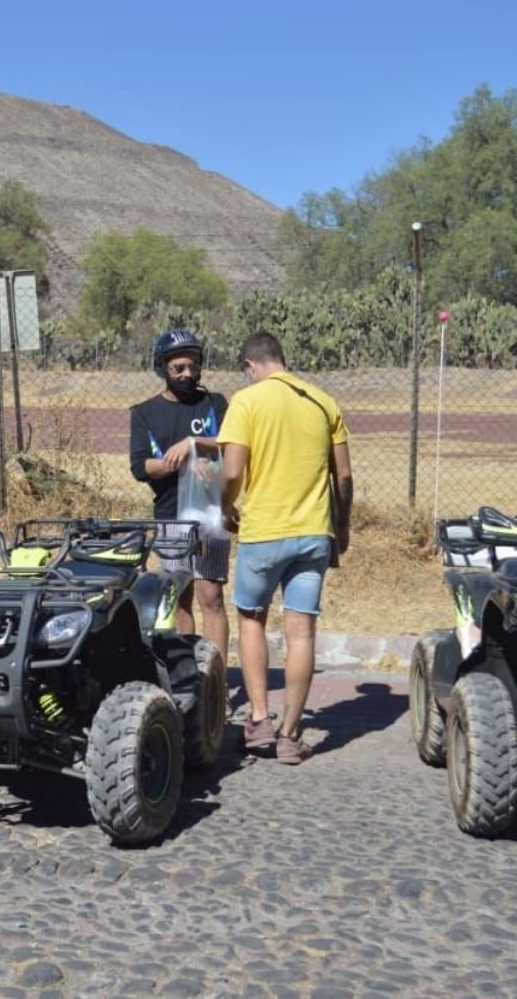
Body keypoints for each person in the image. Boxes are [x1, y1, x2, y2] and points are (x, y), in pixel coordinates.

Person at [218, 331, 352, 765]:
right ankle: (291, 735)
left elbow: (232, 468)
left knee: (251, 619)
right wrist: (341, 526)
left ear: (250, 365)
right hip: (314, 533)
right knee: (301, 632)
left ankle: (259, 721)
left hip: (263, 532)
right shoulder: (323, 401)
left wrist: (224, 506)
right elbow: (344, 477)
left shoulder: (247, 401)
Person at [128, 328, 230, 662]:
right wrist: (174, 462)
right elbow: (142, 467)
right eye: (179, 369)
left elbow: (233, 443)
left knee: (211, 594)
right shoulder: (144, 413)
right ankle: (190, 674)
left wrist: (193, 446)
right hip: (171, 516)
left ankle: (217, 678)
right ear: (163, 369)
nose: (188, 374)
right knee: (180, 595)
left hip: (211, 515)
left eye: (193, 366)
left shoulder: (214, 405)